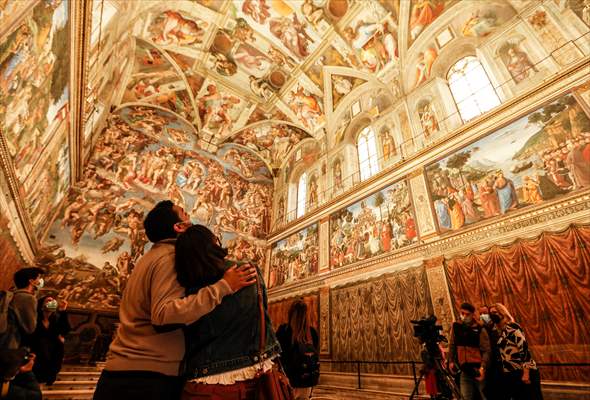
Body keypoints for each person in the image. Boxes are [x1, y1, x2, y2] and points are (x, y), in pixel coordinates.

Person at [93, 201, 257, 400]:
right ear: (179, 227)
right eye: (184, 214)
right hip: (145, 377)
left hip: (128, 372)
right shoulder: (169, 257)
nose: (190, 217)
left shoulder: (150, 257)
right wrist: (224, 286)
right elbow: (164, 315)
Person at [175, 224, 281, 400]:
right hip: (251, 373)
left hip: (202, 381)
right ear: (214, 243)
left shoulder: (186, 285)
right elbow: (262, 314)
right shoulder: (248, 271)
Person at [489, 303, 543, 400]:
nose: (492, 315)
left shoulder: (512, 327)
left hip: (523, 371)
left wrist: (526, 373)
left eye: (495, 312)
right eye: (491, 313)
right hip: (511, 373)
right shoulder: (498, 331)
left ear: (502, 313)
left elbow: (524, 349)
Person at [276, 299, 320, 400]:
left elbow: (276, 354)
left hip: (287, 380)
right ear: (306, 315)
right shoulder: (312, 332)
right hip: (307, 382)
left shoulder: (283, 330)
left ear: (290, 313)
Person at [448, 302, 491, 400]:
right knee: (465, 396)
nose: (464, 316)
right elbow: (452, 345)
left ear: (472, 315)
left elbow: (486, 350)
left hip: (478, 368)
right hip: (464, 369)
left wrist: (483, 367)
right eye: (462, 313)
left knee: (485, 395)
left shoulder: (480, 329)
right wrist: (450, 361)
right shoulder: (456, 327)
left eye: (467, 314)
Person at [29, 296, 70, 385]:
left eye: (53, 300)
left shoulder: (55, 320)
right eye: (48, 300)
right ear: (41, 305)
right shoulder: (35, 318)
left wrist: (63, 311)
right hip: (36, 355)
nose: (52, 302)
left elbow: (65, 329)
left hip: (50, 357)